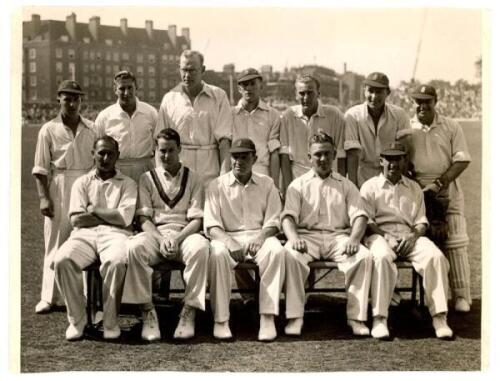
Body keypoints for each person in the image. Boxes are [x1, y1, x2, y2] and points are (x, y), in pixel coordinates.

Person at [282, 132, 372, 337]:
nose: (323, 159)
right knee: (290, 254)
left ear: (334, 155)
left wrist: (354, 239)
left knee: (363, 256)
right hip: (307, 237)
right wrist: (294, 238)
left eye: (327, 154)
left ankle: (356, 317)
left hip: (338, 238)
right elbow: (287, 217)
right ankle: (295, 317)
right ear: (309, 156)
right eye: (318, 154)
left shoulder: (346, 185)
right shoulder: (298, 185)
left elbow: (360, 217)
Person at [360, 142, 453, 340]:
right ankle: (379, 318)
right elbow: (367, 222)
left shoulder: (413, 187)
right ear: (381, 161)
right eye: (389, 159)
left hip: (409, 235)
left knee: (435, 256)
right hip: (380, 235)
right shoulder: (369, 187)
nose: (393, 163)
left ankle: (439, 317)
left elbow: (421, 222)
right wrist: (386, 238)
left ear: (404, 161)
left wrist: (412, 236)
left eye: (397, 158)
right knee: (382, 257)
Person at [124, 128, 209, 341]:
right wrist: (161, 239)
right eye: (162, 151)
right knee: (134, 247)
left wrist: (176, 239)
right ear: (156, 151)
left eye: (171, 150)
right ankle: (147, 310)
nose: (166, 156)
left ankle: (189, 310)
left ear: (180, 149)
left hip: (185, 235)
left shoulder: (195, 178)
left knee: (201, 248)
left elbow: (197, 220)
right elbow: (144, 219)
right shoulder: (147, 178)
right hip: (156, 235)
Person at [53, 136, 137, 341]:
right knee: (62, 260)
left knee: (116, 262)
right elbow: (77, 220)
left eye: (110, 153)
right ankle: (77, 320)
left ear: (117, 156)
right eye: (101, 153)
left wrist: (93, 209)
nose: (105, 157)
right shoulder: (82, 183)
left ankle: (110, 322)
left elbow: (124, 218)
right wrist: (109, 214)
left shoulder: (128, 183)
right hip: (84, 235)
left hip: (116, 235)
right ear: (93, 154)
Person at [204, 138, 286, 341]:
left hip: (260, 236)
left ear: (255, 158)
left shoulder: (267, 183)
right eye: (235, 156)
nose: (239, 161)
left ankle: (267, 317)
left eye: (244, 156)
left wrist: (261, 237)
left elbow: (274, 221)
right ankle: (221, 320)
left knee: (276, 250)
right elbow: (212, 225)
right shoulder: (216, 185)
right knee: (216, 253)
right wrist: (229, 242)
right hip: (228, 237)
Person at [404, 85, 472, 313]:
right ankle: (428, 298)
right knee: (424, 243)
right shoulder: (408, 127)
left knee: (456, 242)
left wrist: (440, 184)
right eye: (418, 102)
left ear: (436, 102)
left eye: (427, 102)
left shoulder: (451, 125)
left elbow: (461, 160)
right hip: (418, 192)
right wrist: (418, 185)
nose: (422, 106)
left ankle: (462, 296)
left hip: (447, 189)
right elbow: (402, 161)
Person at [32, 80, 96, 313]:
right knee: (55, 241)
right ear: (58, 99)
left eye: (76, 98)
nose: (71, 103)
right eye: (67, 98)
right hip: (58, 184)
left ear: (81, 101)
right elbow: (40, 169)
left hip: (87, 185)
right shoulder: (48, 129)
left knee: (84, 239)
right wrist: (43, 198)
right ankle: (49, 297)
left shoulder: (92, 128)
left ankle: (89, 296)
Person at [156, 50, 232, 185]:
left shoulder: (219, 96)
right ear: (179, 69)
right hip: (179, 172)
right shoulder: (169, 99)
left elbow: (224, 141)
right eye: (184, 70)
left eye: (192, 70)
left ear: (202, 70)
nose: (187, 75)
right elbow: (160, 142)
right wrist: (161, 176)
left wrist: (224, 175)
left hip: (210, 171)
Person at [280, 74, 346, 192]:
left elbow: (340, 155)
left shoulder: (334, 115)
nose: (306, 97)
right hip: (298, 181)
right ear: (296, 94)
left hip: (329, 181)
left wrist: (341, 186)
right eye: (302, 93)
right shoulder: (288, 116)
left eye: (310, 93)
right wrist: (288, 188)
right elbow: (284, 156)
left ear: (318, 93)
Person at [344, 72, 411, 187]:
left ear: (387, 93)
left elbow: (404, 153)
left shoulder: (400, 115)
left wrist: (402, 185)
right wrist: (353, 188)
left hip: (391, 176)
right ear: (364, 90)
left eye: (379, 92)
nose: (374, 97)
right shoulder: (352, 115)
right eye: (370, 91)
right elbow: (352, 155)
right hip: (362, 177)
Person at [94, 70, 158, 183]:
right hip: (116, 170)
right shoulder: (105, 116)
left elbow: (159, 144)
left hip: (145, 169)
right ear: (115, 90)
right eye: (122, 88)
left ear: (136, 88)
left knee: (144, 200)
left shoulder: (150, 112)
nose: (126, 92)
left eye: (130, 88)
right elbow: (96, 148)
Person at [232, 68, 281, 188]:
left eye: (253, 84)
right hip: (235, 173)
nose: (248, 88)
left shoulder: (272, 115)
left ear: (261, 86)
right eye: (244, 84)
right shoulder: (229, 114)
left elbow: (274, 152)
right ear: (239, 89)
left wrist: (275, 186)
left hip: (262, 173)